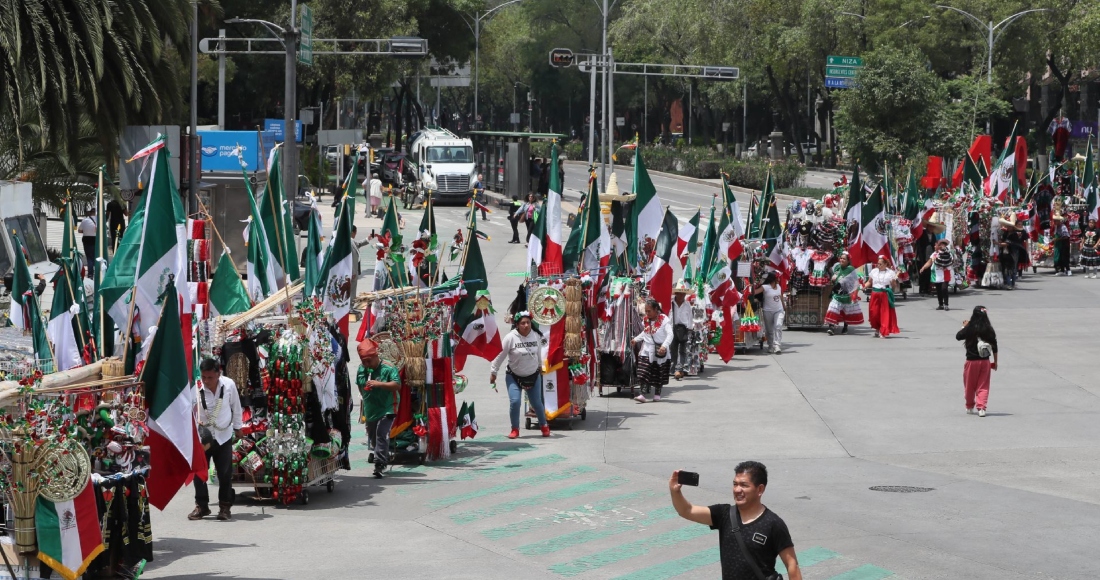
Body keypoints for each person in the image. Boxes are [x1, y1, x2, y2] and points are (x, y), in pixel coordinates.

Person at [669, 461, 802, 580]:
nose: (737, 490)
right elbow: (687, 510)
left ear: (760, 489)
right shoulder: (724, 514)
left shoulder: (773, 523)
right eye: (735, 484)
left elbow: (792, 565)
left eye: (744, 485)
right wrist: (675, 491)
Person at [190, 358, 243, 521]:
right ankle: (202, 506)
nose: (206, 381)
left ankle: (225, 507)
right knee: (199, 473)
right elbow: (189, 409)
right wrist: (194, 420)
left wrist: (238, 428)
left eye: (210, 378)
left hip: (223, 435)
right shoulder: (196, 388)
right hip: (203, 437)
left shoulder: (229, 385)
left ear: (218, 374)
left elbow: (236, 406)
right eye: (204, 377)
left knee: (225, 473)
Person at [489, 311, 549, 439]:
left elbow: (538, 352)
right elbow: (500, 355)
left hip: (533, 374)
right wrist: (494, 372)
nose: (526, 325)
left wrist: (540, 366)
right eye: (523, 323)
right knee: (515, 402)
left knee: (536, 403)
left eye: (528, 322)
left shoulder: (535, 335)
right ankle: (515, 429)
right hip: (514, 376)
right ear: (517, 324)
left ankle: (544, 425)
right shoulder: (510, 337)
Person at [357, 338, 401, 478]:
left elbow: (397, 384)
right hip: (371, 408)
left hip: (387, 407)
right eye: (364, 361)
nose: (366, 364)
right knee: (373, 436)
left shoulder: (388, 367)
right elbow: (359, 385)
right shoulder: (361, 369)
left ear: (376, 356)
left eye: (369, 361)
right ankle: (382, 454)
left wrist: (378, 384)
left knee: (381, 433)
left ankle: (379, 463)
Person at [956, 306, 998, 417]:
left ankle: (969, 407)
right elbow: (995, 347)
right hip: (985, 362)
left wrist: (964, 326)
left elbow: (958, 336)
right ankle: (982, 408)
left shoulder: (970, 328)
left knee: (969, 386)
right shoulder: (989, 329)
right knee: (983, 385)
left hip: (971, 361)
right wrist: (995, 362)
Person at [632, 298, 672, 403]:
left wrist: (664, 346)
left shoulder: (664, 320)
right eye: (646, 311)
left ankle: (657, 394)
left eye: (649, 311)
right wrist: (636, 339)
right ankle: (642, 394)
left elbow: (670, 334)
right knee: (643, 371)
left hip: (660, 350)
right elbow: (646, 333)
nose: (647, 313)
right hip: (647, 349)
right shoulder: (646, 320)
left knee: (658, 372)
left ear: (656, 309)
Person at [825, 252, 864, 335]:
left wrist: (854, 293)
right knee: (832, 308)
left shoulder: (851, 270)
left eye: (844, 259)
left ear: (848, 261)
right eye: (841, 258)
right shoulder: (837, 267)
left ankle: (845, 327)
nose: (841, 260)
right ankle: (831, 327)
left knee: (846, 311)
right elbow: (835, 277)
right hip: (837, 293)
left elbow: (854, 282)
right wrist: (833, 279)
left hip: (846, 294)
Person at [864, 255, 899, 338]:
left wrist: (894, 281)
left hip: (884, 294)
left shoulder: (890, 273)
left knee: (884, 313)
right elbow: (869, 282)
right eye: (877, 264)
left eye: (880, 264)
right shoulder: (874, 271)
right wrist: (863, 286)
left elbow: (894, 286)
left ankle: (883, 330)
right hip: (875, 294)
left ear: (885, 264)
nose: (878, 265)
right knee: (874, 313)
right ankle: (877, 328)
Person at [753, 272, 785, 354]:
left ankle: (777, 345)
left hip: (779, 310)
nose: (778, 280)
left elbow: (780, 296)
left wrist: (784, 307)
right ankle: (770, 346)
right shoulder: (765, 287)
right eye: (777, 278)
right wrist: (749, 287)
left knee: (778, 326)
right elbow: (755, 292)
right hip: (767, 311)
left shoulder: (779, 287)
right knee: (769, 330)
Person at [669, 282, 694, 380]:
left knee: (683, 350)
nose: (683, 295)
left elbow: (690, 317)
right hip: (673, 328)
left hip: (684, 329)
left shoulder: (687, 304)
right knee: (673, 350)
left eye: (684, 293)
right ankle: (675, 368)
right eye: (681, 293)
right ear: (676, 294)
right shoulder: (671, 303)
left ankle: (679, 369)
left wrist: (690, 329)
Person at [920, 239, 954, 311]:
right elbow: (929, 262)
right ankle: (941, 304)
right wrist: (923, 268)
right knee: (938, 290)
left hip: (945, 274)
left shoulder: (948, 253)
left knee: (944, 289)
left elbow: (952, 261)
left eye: (936, 245)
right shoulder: (934, 254)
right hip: (936, 275)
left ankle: (946, 304)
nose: (934, 246)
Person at [79, 207, 97, 273]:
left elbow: (79, 230)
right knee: (96, 256)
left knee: (89, 257)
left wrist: (86, 231)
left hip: (86, 239)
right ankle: (96, 272)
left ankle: (90, 274)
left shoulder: (85, 220)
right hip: (96, 239)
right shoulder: (99, 220)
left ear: (90, 212)